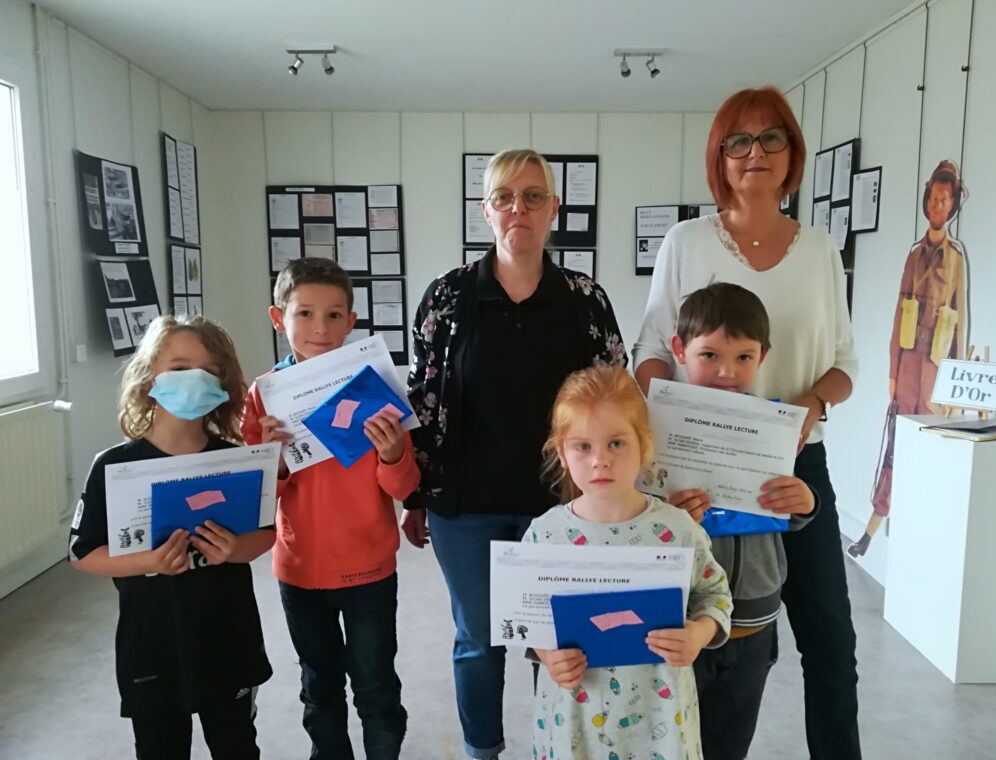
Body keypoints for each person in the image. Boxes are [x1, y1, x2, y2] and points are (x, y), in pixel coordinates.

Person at [632, 86, 861, 759]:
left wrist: (808, 409)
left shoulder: (820, 249)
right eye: (738, 140)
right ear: (720, 157)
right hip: (696, 462)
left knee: (830, 640)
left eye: (771, 137)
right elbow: (651, 351)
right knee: (694, 631)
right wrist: (676, 423)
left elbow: (844, 363)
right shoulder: (686, 241)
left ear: (792, 153)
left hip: (794, 466)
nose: (755, 151)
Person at [402, 149, 627, 759]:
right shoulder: (448, 296)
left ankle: (553, 747)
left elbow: (616, 398)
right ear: (486, 210)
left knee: (555, 641)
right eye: (504, 197)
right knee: (478, 640)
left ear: (554, 208)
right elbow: (422, 400)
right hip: (464, 504)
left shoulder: (584, 298)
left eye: (532, 196)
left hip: (561, 504)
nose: (517, 209)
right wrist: (415, 496)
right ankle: (482, 750)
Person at [68, 315, 274, 759]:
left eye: (209, 371)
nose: (194, 380)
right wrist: (148, 562)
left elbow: (266, 534)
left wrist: (237, 549)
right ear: (149, 379)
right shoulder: (113, 467)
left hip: (228, 639)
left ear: (224, 385)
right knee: (160, 749)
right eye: (179, 368)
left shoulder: (237, 461)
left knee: (237, 745)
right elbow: (82, 553)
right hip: (151, 644)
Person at [243, 257, 419, 760]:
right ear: (278, 318)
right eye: (305, 313)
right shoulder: (264, 395)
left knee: (376, 683)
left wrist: (393, 453)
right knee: (319, 685)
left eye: (334, 314)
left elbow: (404, 486)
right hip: (299, 570)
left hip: (369, 567)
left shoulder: (374, 387)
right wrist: (271, 460)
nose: (320, 327)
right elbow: (257, 498)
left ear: (351, 321)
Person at [528, 365, 733, 759]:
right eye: (582, 446)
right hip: (574, 717)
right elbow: (525, 615)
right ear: (561, 453)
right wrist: (546, 654)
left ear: (644, 446)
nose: (600, 460)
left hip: (660, 718)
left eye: (616, 443)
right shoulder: (544, 534)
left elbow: (715, 594)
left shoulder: (677, 529)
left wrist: (699, 634)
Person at [667, 282, 818, 759]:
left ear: (763, 356)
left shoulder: (774, 430)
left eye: (744, 357)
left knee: (731, 744)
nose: (726, 373)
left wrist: (804, 503)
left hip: (754, 622)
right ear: (679, 350)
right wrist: (668, 516)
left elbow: (785, 513)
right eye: (709, 355)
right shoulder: (656, 428)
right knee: (673, 743)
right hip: (682, 621)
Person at [851, 160, 969, 557]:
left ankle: (919, 536)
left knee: (928, 451)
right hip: (906, 369)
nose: (938, 205)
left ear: (953, 205)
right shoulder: (913, 255)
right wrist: (891, 371)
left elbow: (961, 323)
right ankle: (872, 529)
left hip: (935, 372)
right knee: (894, 448)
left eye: (945, 199)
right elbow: (897, 314)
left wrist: (954, 386)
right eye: (934, 197)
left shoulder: (956, 258)